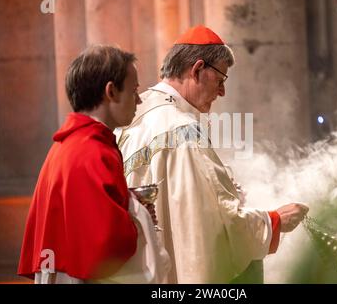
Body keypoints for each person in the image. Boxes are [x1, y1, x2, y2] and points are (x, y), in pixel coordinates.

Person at [115, 26, 309, 283]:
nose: (222, 92)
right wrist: (273, 221)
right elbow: (217, 221)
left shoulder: (134, 114)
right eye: (220, 80)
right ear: (196, 70)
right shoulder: (181, 129)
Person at [18, 45, 169, 283]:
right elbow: (105, 245)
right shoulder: (92, 152)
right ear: (111, 92)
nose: (139, 100)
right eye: (134, 90)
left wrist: (127, 202)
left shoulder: (67, 144)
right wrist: (138, 213)